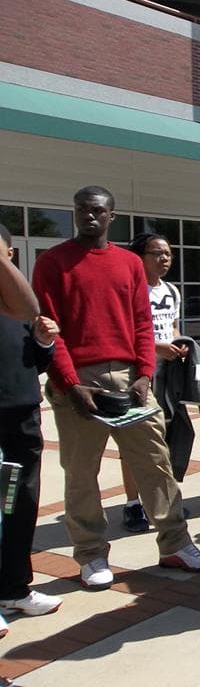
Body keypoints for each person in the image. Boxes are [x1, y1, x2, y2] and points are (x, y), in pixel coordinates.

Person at [32, 185, 200, 591]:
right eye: (81, 210)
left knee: (155, 461)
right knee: (80, 473)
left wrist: (145, 375)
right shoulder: (53, 263)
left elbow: (142, 324)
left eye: (97, 210)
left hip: (129, 378)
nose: (89, 216)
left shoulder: (128, 264)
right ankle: (92, 555)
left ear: (111, 216)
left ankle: (176, 543)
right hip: (78, 382)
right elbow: (50, 329)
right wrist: (70, 384)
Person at [0, 225, 62, 630]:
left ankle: (14, 589)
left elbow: (36, 362)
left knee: (17, 504)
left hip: (20, 416)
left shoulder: (15, 302)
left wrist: (43, 342)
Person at [117, 233, 188, 533]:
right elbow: (125, 333)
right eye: (157, 253)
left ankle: (164, 499)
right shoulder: (130, 289)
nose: (164, 258)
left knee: (166, 439)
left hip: (168, 375)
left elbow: (171, 326)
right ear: (139, 256)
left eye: (168, 253)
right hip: (137, 375)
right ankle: (134, 504)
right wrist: (155, 348)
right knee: (134, 441)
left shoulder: (171, 291)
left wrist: (177, 345)